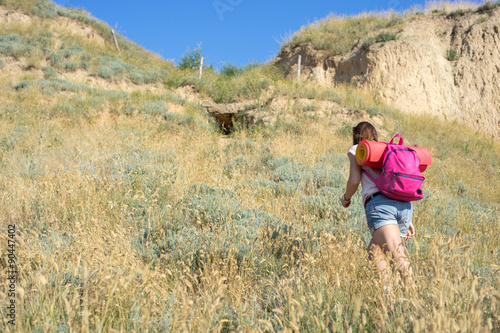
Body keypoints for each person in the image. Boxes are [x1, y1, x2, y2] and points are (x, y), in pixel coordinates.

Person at [339, 122, 415, 287]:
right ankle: (388, 301)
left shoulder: (357, 149)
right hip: (404, 206)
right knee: (375, 252)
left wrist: (346, 198)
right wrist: (408, 219)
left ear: (356, 136)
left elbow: (354, 181)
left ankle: (416, 300)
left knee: (396, 252)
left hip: (380, 207)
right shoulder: (386, 149)